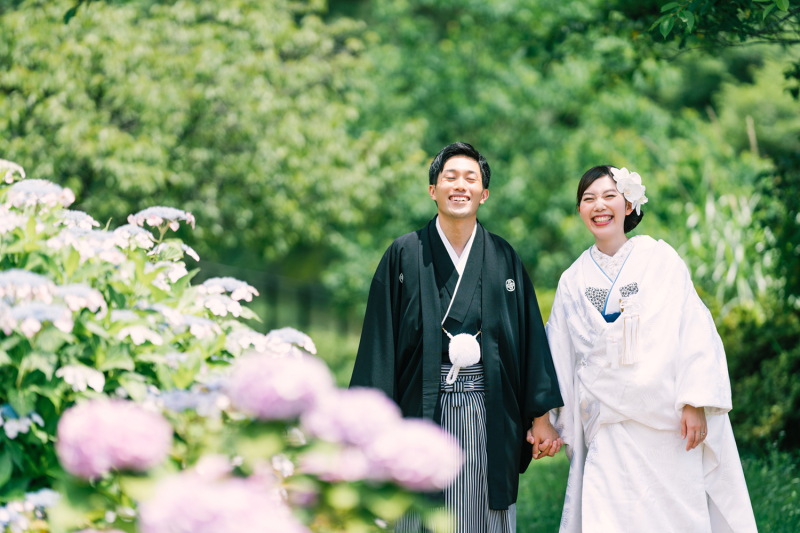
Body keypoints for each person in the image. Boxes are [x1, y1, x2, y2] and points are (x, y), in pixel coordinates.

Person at [350, 142, 564, 532]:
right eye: (450, 177)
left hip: (488, 408)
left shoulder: (503, 256)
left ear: (484, 194)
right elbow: (378, 344)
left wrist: (541, 417)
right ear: (433, 190)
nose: (460, 185)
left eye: (470, 178)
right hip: (418, 407)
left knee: (484, 509)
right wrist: (368, 427)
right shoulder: (403, 254)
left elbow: (529, 338)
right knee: (418, 505)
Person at [547, 165, 758, 533]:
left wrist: (694, 400)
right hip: (607, 425)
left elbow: (693, 329)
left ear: (629, 205)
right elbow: (558, 354)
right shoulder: (572, 280)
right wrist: (547, 421)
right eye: (588, 199)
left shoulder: (661, 260)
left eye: (609, 196)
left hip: (668, 421)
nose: (599, 205)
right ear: (580, 210)